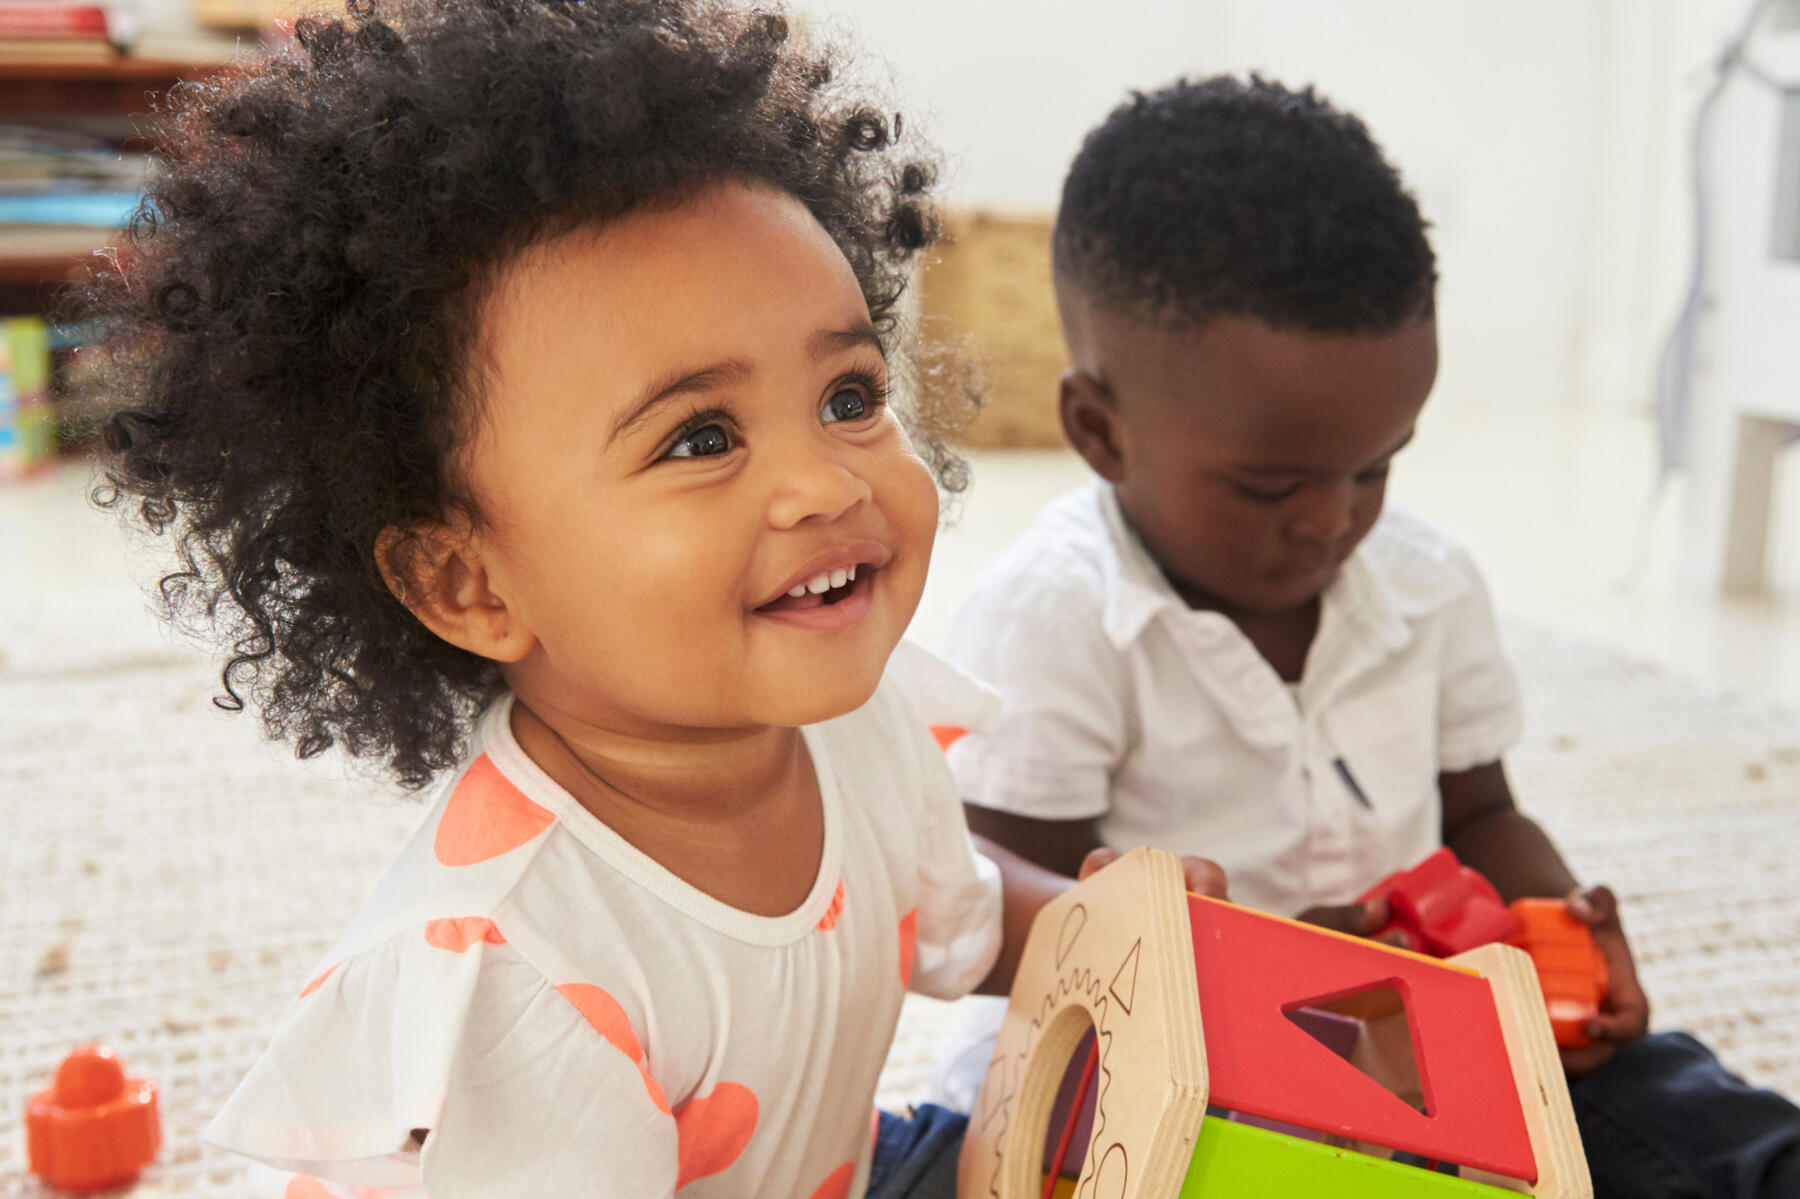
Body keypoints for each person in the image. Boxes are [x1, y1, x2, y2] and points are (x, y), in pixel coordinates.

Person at [85, 4, 1226, 1195]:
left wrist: (1104, 925)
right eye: (700, 437)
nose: (826, 482)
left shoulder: (855, 716)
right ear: (468, 582)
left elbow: (961, 919)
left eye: (847, 396)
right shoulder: (521, 977)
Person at [935, 74, 1800, 1198]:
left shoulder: (1427, 586)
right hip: (1153, 1074)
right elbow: (1012, 909)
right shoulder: (1056, 617)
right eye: (1271, 485)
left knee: (1701, 1120)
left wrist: (1560, 926)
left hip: (1423, 1048)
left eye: (1377, 466)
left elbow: (1480, 811)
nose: (1333, 519)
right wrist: (1268, 984)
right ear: (1100, 431)